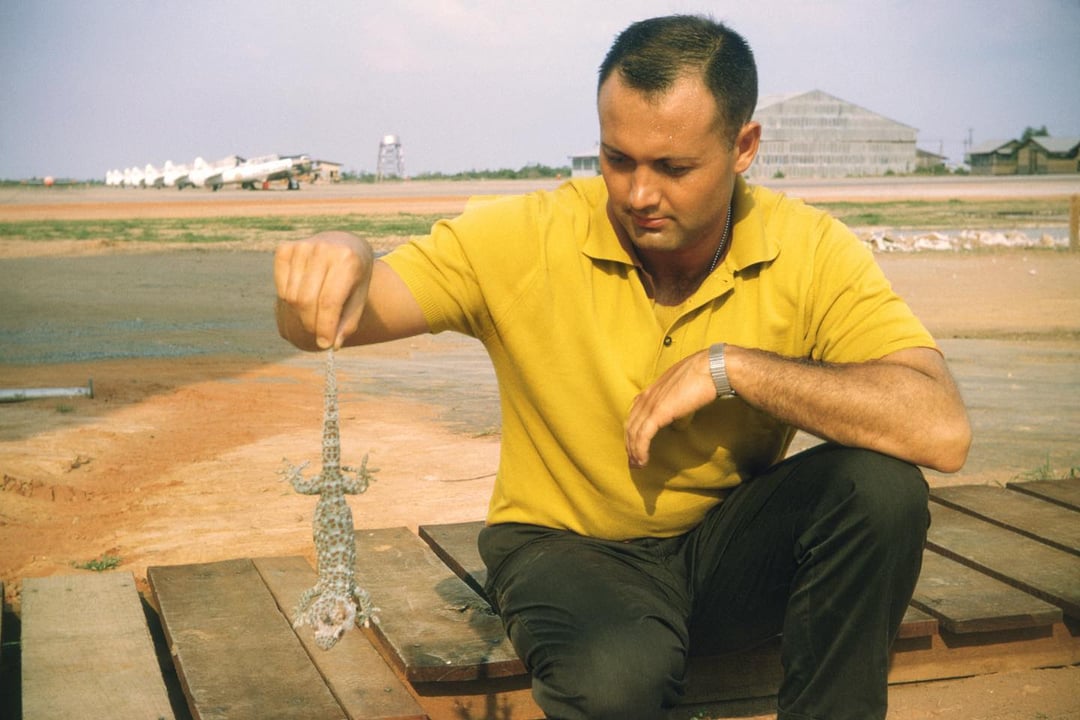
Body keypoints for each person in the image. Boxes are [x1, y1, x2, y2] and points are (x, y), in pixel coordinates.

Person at [274, 14, 971, 720]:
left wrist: (735, 368)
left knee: (881, 489)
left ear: (744, 147)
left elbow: (940, 429)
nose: (638, 194)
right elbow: (330, 320)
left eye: (673, 168)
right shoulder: (525, 236)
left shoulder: (811, 248)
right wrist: (341, 256)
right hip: (565, 554)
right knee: (618, 678)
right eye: (617, 158)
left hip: (723, 551)